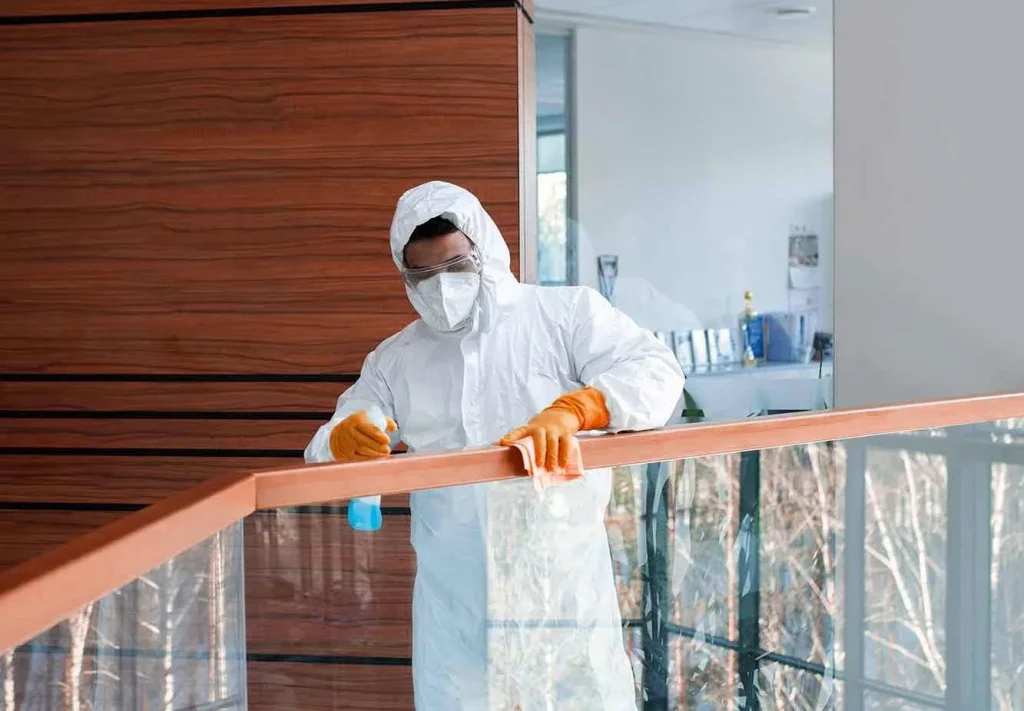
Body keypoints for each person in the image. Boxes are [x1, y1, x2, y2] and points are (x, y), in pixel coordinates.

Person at [305, 181, 684, 710]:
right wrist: (342, 438)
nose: (441, 286)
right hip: (456, 610)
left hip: (563, 593)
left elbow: (656, 371)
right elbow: (329, 440)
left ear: (484, 249)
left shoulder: (564, 315)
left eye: (455, 266)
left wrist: (580, 408)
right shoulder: (395, 360)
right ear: (405, 275)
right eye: (423, 275)